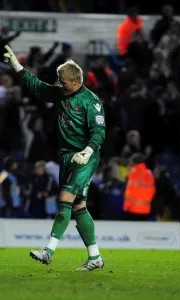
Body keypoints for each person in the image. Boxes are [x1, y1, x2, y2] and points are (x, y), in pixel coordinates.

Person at [3, 45, 106, 271]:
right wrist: (18, 68)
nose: (59, 84)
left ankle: (48, 251)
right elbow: (38, 87)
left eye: (63, 81)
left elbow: (99, 132)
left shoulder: (91, 102)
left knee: (66, 197)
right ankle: (95, 257)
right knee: (79, 206)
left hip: (85, 156)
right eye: (59, 81)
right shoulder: (60, 93)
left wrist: (87, 152)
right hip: (66, 156)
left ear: (76, 81)